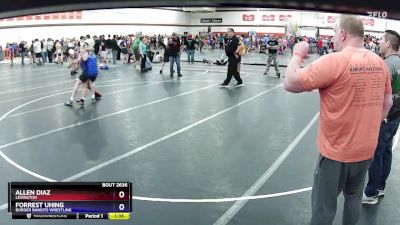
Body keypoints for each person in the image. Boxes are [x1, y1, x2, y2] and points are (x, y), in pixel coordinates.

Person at [283, 15, 393, 225]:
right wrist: (368, 128)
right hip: (365, 150)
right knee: (354, 199)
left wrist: (297, 54)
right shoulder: (380, 63)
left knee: (323, 208)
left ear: (342, 33)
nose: (333, 38)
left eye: (334, 33)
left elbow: (289, 82)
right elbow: (387, 104)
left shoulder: (334, 61)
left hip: (336, 153)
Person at [362, 30, 400, 205]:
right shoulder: (398, 62)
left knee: (377, 154)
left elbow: (377, 92)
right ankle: (380, 186)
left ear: (388, 44)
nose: (378, 42)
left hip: (385, 116)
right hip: (396, 116)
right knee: (385, 152)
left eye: (381, 40)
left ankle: (370, 194)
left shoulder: (385, 65)